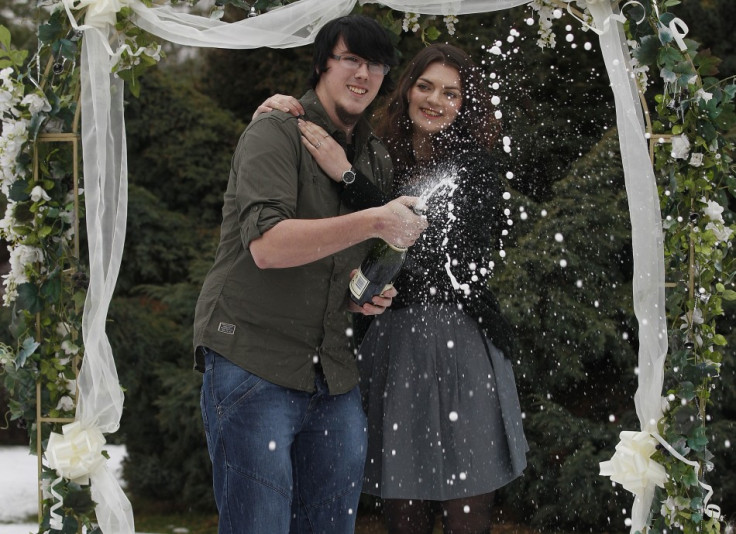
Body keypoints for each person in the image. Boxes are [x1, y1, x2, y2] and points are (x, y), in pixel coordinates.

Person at [256, 43, 528, 534]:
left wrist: (347, 175)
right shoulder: (379, 155)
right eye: (425, 86)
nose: (435, 100)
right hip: (392, 343)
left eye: (451, 92)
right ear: (406, 90)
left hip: (462, 341)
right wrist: (282, 108)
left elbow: (429, 252)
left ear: (466, 103)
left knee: (468, 512)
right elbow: (324, 131)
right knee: (403, 511)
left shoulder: (475, 170)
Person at [192, 15, 428, 534]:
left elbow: (351, 259)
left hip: (333, 372)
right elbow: (268, 247)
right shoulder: (276, 131)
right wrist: (374, 218)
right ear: (323, 62)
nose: (364, 74)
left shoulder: (373, 156)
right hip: (254, 360)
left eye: (377, 65)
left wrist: (365, 294)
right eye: (351, 59)